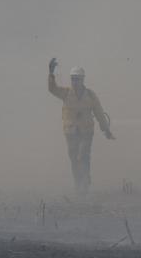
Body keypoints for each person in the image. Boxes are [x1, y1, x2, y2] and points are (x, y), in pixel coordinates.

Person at [48, 58, 114, 195]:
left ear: (83, 80)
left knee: (83, 155)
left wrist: (106, 130)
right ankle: (78, 183)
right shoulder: (65, 93)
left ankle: (85, 181)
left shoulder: (90, 95)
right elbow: (52, 89)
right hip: (70, 132)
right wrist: (51, 73)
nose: (75, 82)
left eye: (78, 79)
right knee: (73, 158)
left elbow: (99, 113)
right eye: (73, 79)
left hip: (86, 131)